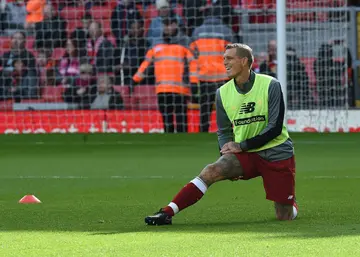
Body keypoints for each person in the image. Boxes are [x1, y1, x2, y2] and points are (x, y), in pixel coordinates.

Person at [145, 43, 297, 225]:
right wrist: (225, 154)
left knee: (284, 215)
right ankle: (167, 212)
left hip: (276, 152)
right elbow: (224, 131)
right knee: (212, 170)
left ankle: (289, 200)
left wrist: (241, 146)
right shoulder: (222, 93)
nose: (224, 62)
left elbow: (275, 128)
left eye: (229, 58)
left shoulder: (270, 85)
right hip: (245, 154)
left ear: (244, 61)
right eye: (224, 58)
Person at [133, 17, 198, 133]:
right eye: (166, 25)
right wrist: (135, 79)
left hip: (180, 88)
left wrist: (193, 82)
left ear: (176, 25)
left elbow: (193, 64)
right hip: (162, 88)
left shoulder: (185, 43)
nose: (168, 27)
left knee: (181, 119)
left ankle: (183, 143)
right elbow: (146, 64)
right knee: (166, 119)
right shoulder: (156, 45)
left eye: (171, 24)